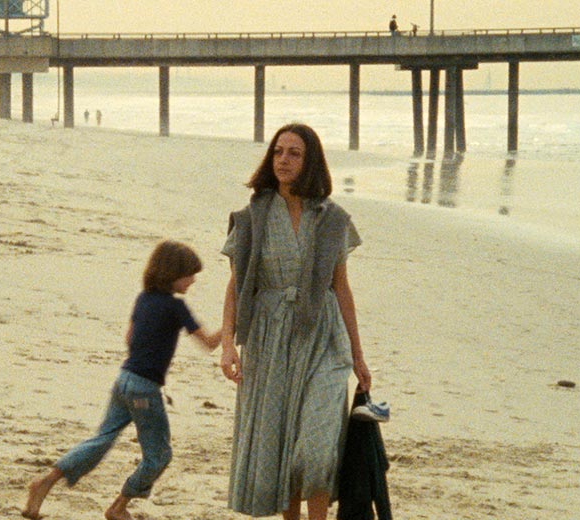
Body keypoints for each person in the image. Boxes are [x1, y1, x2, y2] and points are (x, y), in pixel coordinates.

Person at [219, 123, 372, 520]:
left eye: (294, 153)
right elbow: (236, 286)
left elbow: (341, 288)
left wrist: (358, 356)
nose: (283, 160)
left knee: (317, 450)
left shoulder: (332, 219)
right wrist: (227, 347)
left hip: (323, 337)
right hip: (269, 340)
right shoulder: (251, 218)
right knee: (281, 447)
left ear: (311, 162)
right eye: (278, 152)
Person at [23, 240, 222, 520]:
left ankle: (46, 482)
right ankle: (119, 507)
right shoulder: (177, 308)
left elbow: (129, 338)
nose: (193, 280)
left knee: (101, 439)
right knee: (159, 455)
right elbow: (210, 343)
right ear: (172, 274)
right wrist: (234, 322)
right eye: (189, 275)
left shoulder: (143, 299)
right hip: (145, 388)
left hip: (124, 378)